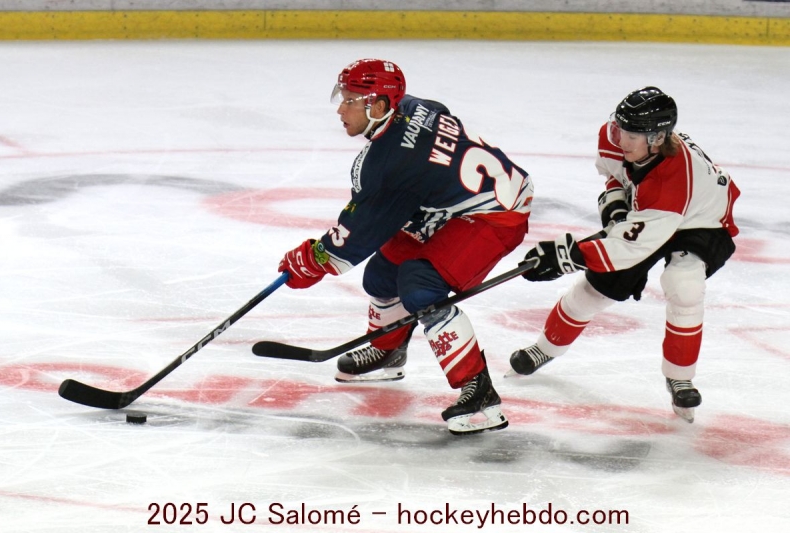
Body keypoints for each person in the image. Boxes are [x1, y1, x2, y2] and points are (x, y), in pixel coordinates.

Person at [278, 58, 534, 435]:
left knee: (420, 287)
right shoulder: (414, 106)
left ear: (379, 106)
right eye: (343, 97)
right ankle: (388, 350)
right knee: (382, 276)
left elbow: (355, 237)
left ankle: (477, 389)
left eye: (351, 100)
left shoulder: (387, 164)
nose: (340, 108)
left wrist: (312, 259)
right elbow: (441, 121)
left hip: (497, 215)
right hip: (457, 202)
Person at [507, 86, 739, 423]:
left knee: (684, 284)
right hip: (654, 214)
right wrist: (615, 211)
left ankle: (680, 377)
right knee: (594, 290)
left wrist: (566, 255)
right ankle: (545, 348)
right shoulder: (615, 138)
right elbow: (615, 179)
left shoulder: (672, 181)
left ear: (658, 138)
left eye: (631, 135)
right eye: (619, 128)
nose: (620, 139)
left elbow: (630, 247)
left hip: (702, 220)